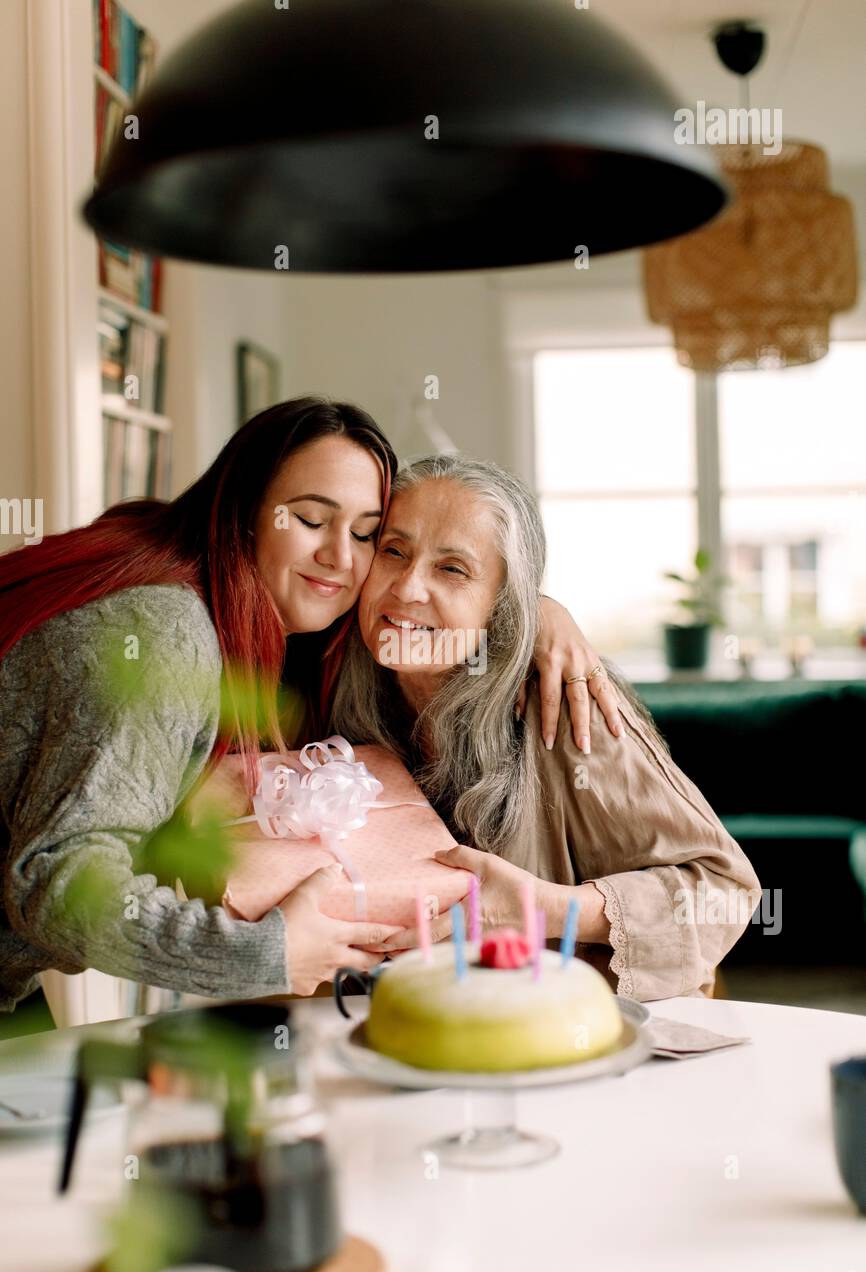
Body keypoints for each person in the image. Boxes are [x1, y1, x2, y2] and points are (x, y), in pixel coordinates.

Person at [0, 399, 613, 1010]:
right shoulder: (166, 634)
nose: (341, 559)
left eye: (368, 535)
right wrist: (266, 954)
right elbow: (57, 876)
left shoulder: (244, 612)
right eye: (312, 520)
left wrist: (530, 614)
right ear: (244, 510)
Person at [330, 454, 763, 1001]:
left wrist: (543, 909)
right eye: (394, 551)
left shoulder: (565, 702)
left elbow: (722, 895)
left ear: (502, 603)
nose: (409, 587)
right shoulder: (335, 686)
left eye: (453, 569)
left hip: (567, 1046)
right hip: (410, 1036)